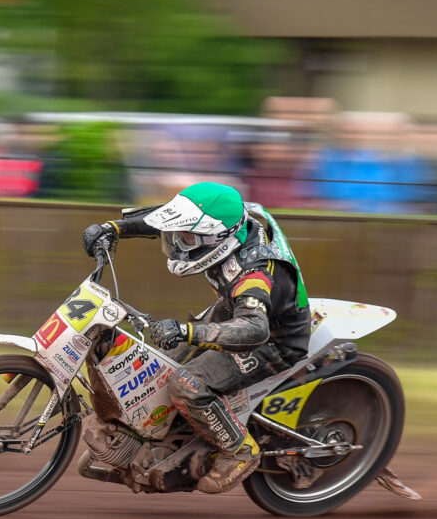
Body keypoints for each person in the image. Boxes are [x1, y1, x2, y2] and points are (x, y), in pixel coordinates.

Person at [82, 182, 311, 494]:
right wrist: (114, 228)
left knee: (187, 384)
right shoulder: (234, 224)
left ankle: (239, 450)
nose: (178, 243)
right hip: (234, 311)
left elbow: (255, 330)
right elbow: (164, 217)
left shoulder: (253, 272)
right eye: (179, 235)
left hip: (272, 340)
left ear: (215, 237)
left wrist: (187, 332)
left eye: (187, 238)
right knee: (162, 363)